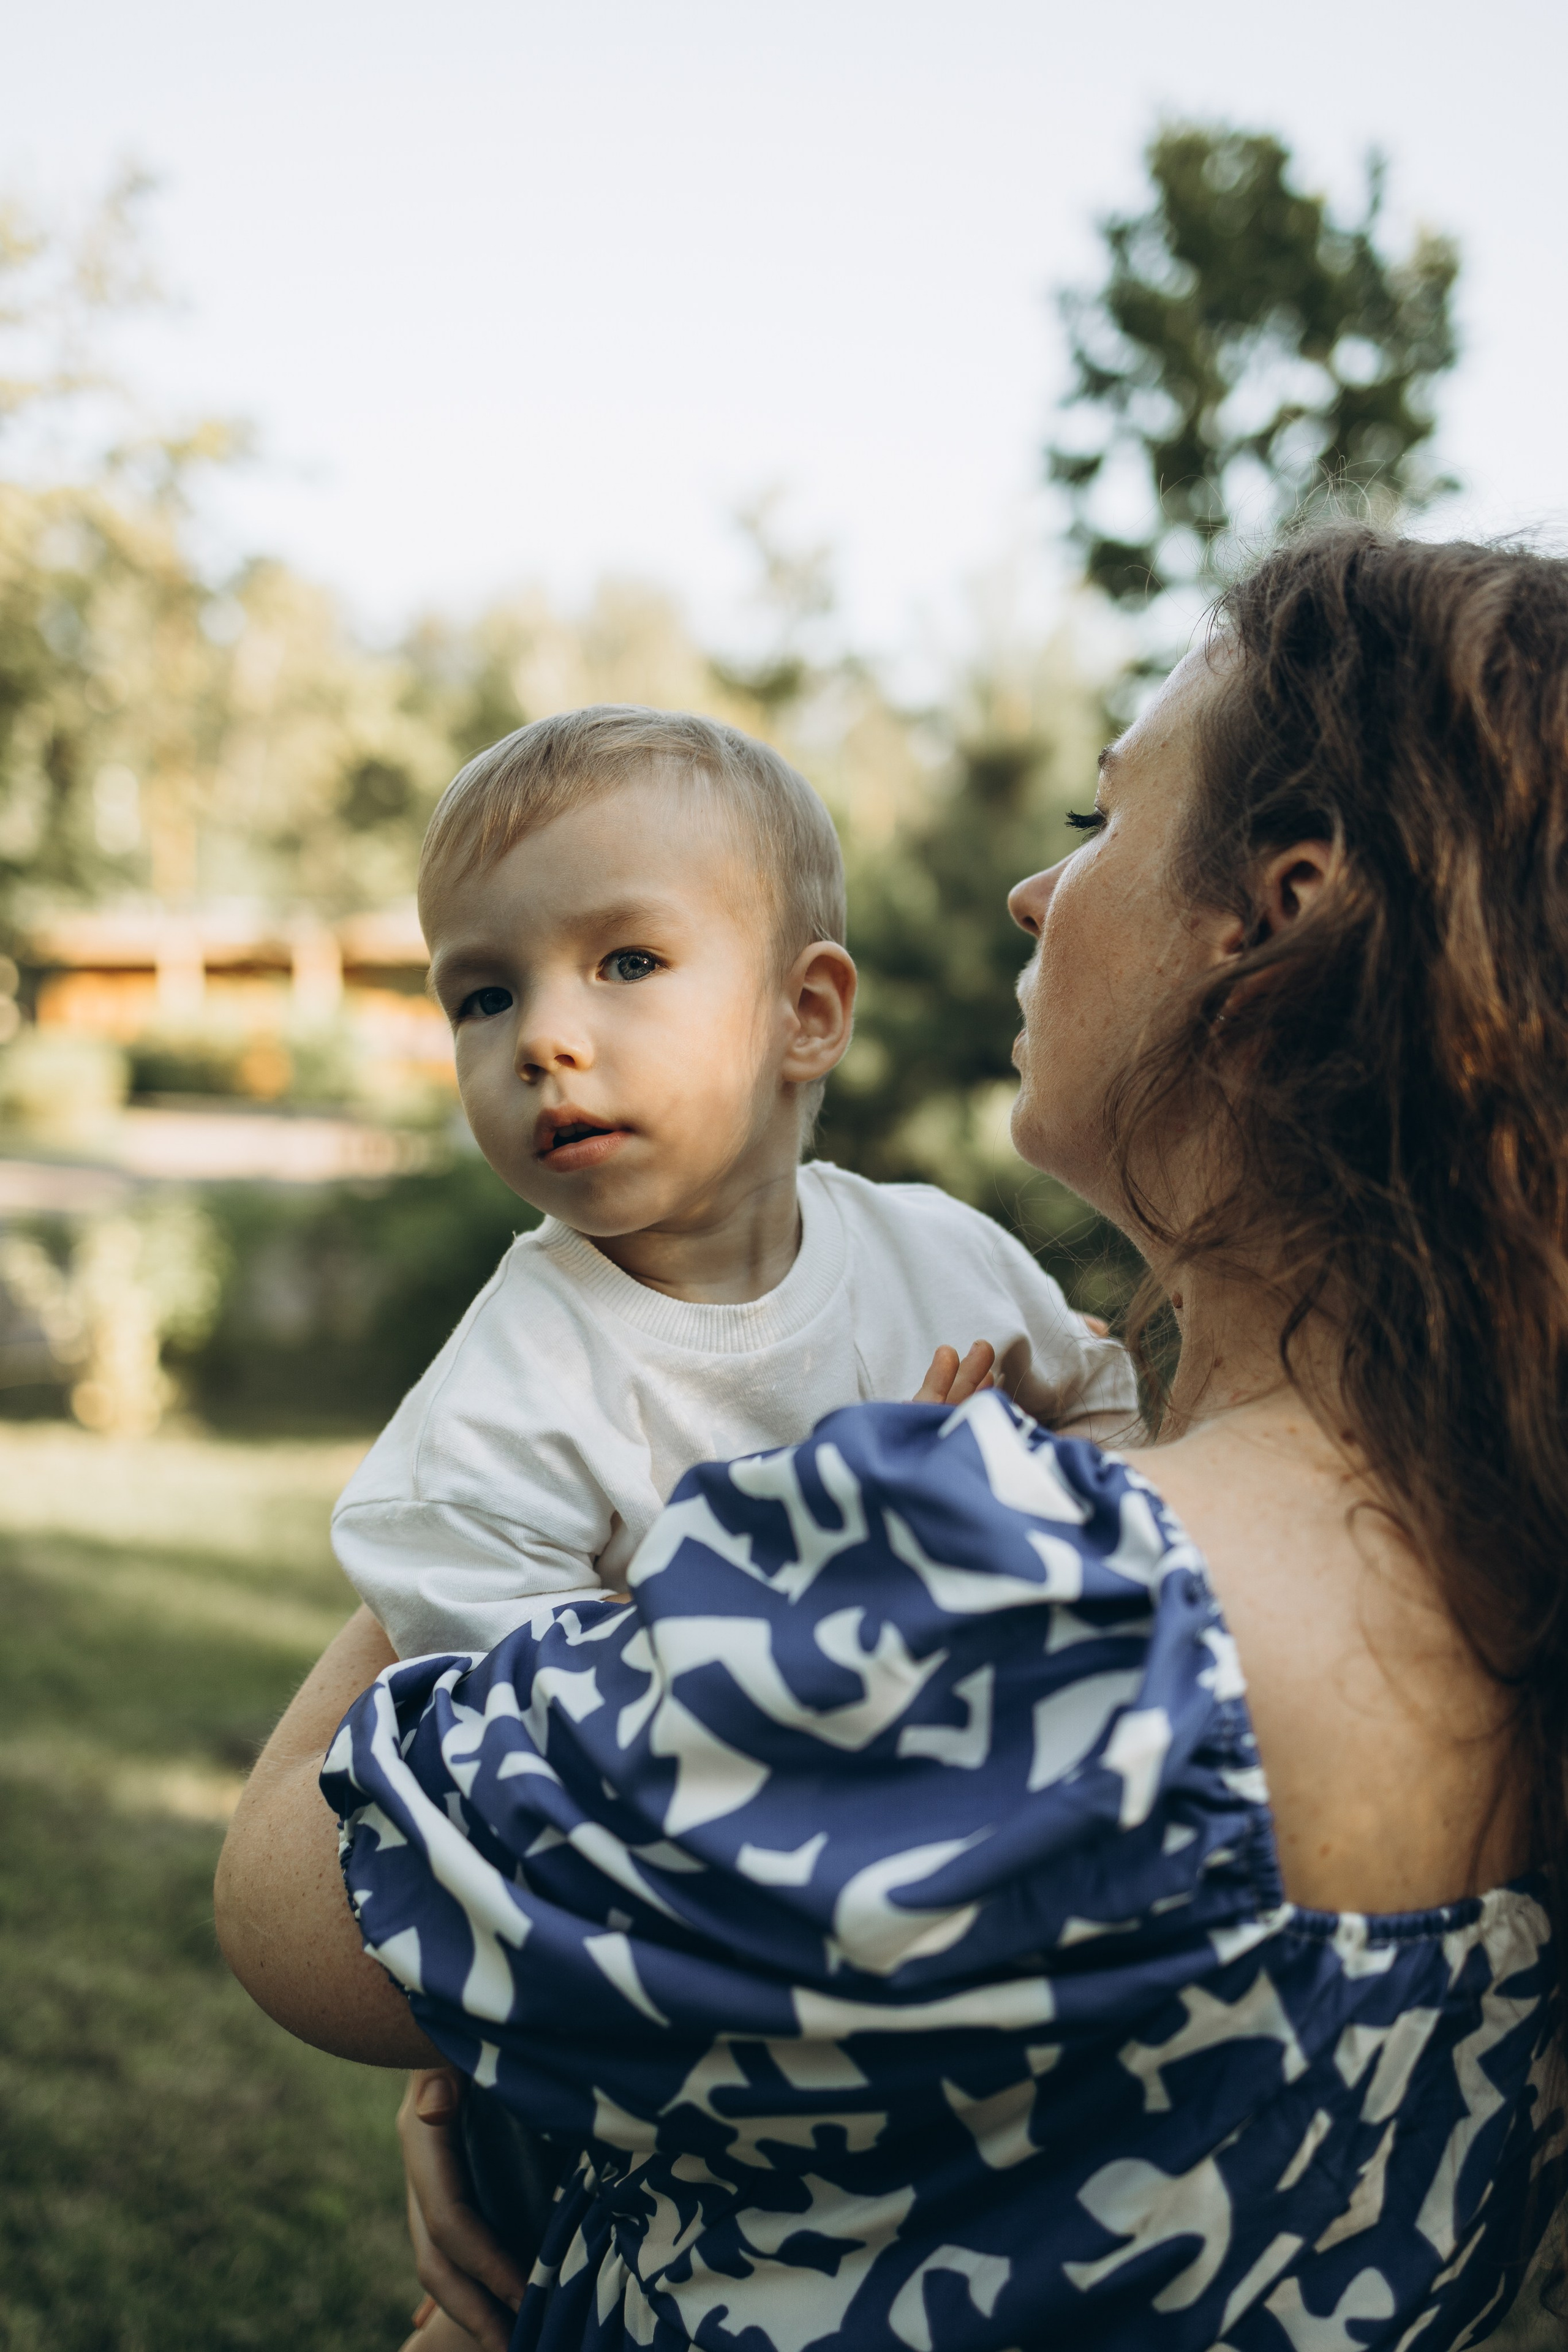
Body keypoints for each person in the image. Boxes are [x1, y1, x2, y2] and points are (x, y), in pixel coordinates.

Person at [216, 530, 1568, 2350]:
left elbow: (299, 1909)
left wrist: (540, 1421)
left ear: (1277, 915)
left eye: (1101, 823)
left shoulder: (1001, 1595)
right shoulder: (1506, 1562)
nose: (1031, 891)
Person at [332, 704, 1135, 1665]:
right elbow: (542, 1745)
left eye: (627, 962)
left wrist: (1013, 1483)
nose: (543, 1039)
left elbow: (1115, 1434)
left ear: (803, 1014)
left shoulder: (944, 1262)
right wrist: (841, 1549)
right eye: (485, 997)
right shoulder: (496, 1425)